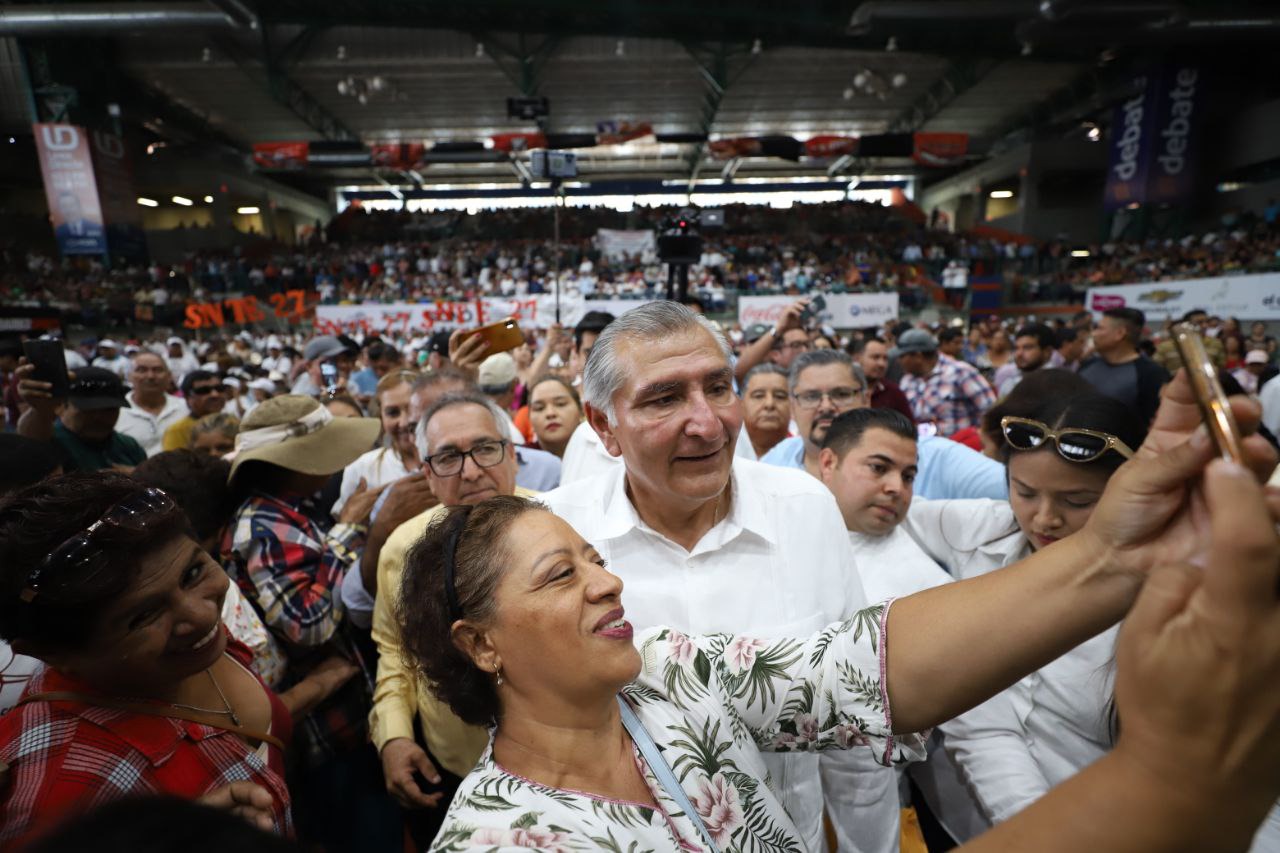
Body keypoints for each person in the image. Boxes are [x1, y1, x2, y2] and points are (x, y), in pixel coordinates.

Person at [401, 412, 1280, 853]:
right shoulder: (498, 839)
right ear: (481, 644)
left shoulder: (660, 676)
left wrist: (1116, 553)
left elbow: (866, 668)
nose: (608, 581)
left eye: (595, 557)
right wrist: (1169, 785)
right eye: (561, 575)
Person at [542, 302, 882, 852]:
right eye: (664, 398)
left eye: (719, 388)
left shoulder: (805, 508)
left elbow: (856, 716)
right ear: (604, 425)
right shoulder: (554, 533)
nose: (707, 423)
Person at [0, 474, 293, 846]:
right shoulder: (67, 799)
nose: (202, 614)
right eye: (143, 616)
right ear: (54, 653)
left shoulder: (191, 644)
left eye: (192, 573)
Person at [223, 395, 401, 852]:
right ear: (293, 462)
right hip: (327, 731)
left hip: (342, 719)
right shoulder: (264, 526)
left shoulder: (287, 512)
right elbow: (307, 624)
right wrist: (349, 530)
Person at [371, 391, 539, 848]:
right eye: (448, 457)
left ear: (512, 454)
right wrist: (393, 735)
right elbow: (395, 650)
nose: (470, 471)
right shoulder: (402, 551)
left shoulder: (564, 525)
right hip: (455, 769)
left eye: (485, 448)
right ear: (427, 474)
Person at [17, 365, 146, 473]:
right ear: (62, 406)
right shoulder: (51, 439)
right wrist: (39, 409)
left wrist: (136, 476)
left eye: (109, 410)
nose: (98, 417)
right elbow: (31, 438)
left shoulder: (128, 445)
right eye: (88, 410)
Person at [761, 349, 867, 478]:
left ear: (865, 401)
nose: (826, 407)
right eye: (811, 397)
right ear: (792, 407)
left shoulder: (888, 460)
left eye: (841, 394)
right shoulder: (774, 463)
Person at [896, 329, 997, 437]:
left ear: (918, 356)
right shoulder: (907, 381)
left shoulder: (960, 372)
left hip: (961, 444)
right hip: (922, 444)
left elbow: (991, 411)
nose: (898, 361)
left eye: (902, 356)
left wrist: (976, 438)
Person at [1077, 308, 1170, 424]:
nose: (1093, 334)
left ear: (1120, 333)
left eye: (1099, 328)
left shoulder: (1151, 374)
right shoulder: (1087, 365)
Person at [109, 352, 186, 457]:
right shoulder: (116, 411)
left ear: (169, 376)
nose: (150, 376)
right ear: (129, 376)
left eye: (158, 370)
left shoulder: (185, 407)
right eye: (142, 370)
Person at [849, 336, 915, 423]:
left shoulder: (894, 392)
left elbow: (910, 426)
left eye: (885, 359)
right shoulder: (844, 390)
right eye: (875, 357)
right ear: (857, 359)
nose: (882, 364)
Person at [162, 371, 229, 452]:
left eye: (219, 389)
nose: (215, 394)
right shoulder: (177, 431)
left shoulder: (233, 422)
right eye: (204, 391)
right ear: (187, 398)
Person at [739, 363, 791, 459]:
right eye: (759, 396)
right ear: (741, 404)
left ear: (793, 405)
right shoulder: (725, 449)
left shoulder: (805, 450)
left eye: (779, 396)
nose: (769, 404)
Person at [527, 374, 584, 458]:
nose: (550, 413)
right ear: (529, 418)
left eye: (560, 404)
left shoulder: (602, 450)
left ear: (581, 411)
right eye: (539, 408)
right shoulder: (519, 460)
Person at [999, 324, 1056, 396]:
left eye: (1027, 347)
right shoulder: (1009, 384)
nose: (1019, 354)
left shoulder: (1059, 384)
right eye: (1016, 348)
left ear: (1047, 351)